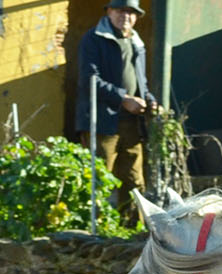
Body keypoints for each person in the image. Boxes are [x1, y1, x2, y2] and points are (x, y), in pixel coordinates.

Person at [76, 0, 159, 225]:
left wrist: (149, 101)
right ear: (110, 12)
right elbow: (89, 80)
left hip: (132, 123)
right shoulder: (93, 39)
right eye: (121, 10)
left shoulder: (136, 42)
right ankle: (92, 231)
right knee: (99, 177)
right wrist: (123, 99)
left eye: (131, 12)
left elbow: (141, 82)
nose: (126, 16)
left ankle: (131, 232)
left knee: (134, 180)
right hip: (102, 122)